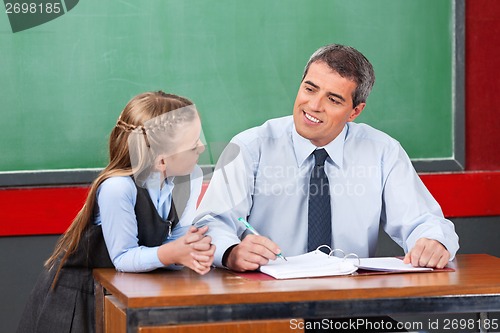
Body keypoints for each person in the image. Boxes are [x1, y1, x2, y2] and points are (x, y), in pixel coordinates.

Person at [195, 44, 459, 273]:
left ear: (355, 111)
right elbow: (211, 223)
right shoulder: (249, 147)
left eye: (333, 99)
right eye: (310, 89)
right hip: (268, 301)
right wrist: (231, 252)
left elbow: (426, 222)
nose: (314, 105)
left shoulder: (382, 151)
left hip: (351, 303)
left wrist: (433, 242)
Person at [17, 91, 215, 333]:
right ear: (161, 161)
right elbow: (123, 257)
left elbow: (175, 243)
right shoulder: (118, 188)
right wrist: (173, 253)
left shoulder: (189, 178)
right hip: (77, 301)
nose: (202, 147)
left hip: (122, 293)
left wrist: (190, 251)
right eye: (193, 144)